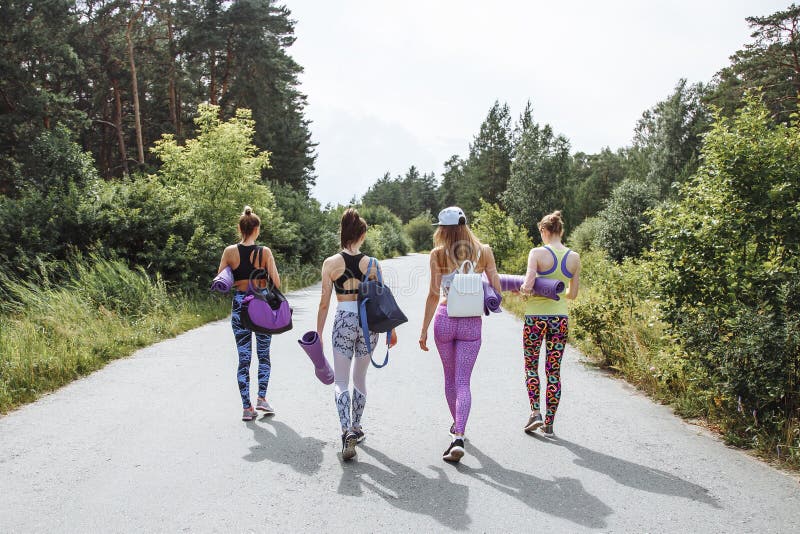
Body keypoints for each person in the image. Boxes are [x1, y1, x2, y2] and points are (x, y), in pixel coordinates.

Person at [420, 206, 501, 463]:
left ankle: (456, 429)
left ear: (443, 230)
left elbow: (434, 295)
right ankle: (459, 434)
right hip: (471, 325)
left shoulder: (438, 254)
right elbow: (497, 292)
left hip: (444, 320)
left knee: (449, 379)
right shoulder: (484, 252)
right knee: (463, 381)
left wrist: (423, 331)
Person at [317, 208, 397, 461]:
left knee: (340, 381)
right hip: (368, 323)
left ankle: (345, 430)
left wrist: (318, 334)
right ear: (361, 235)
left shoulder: (330, 264)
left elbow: (323, 303)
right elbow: (383, 300)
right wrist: (390, 330)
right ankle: (357, 427)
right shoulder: (372, 264)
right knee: (360, 378)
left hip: (343, 318)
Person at [518, 210, 581, 437]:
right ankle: (550, 424)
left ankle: (535, 412)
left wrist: (527, 291)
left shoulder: (536, 253)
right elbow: (572, 295)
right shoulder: (574, 257)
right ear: (561, 231)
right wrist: (556, 289)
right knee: (553, 371)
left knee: (531, 367)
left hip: (535, 319)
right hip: (559, 320)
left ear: (544, 231)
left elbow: (527, 285)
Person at [216, 206, 282, 422]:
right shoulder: (265, 252)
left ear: (240, 228)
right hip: (261, 304)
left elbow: (222, 279)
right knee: (264, 355)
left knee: (244, 359)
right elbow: (277, 283)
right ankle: (262, 397)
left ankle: (247, 408)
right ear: (257, 229)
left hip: (240, 305)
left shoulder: (229, 252)